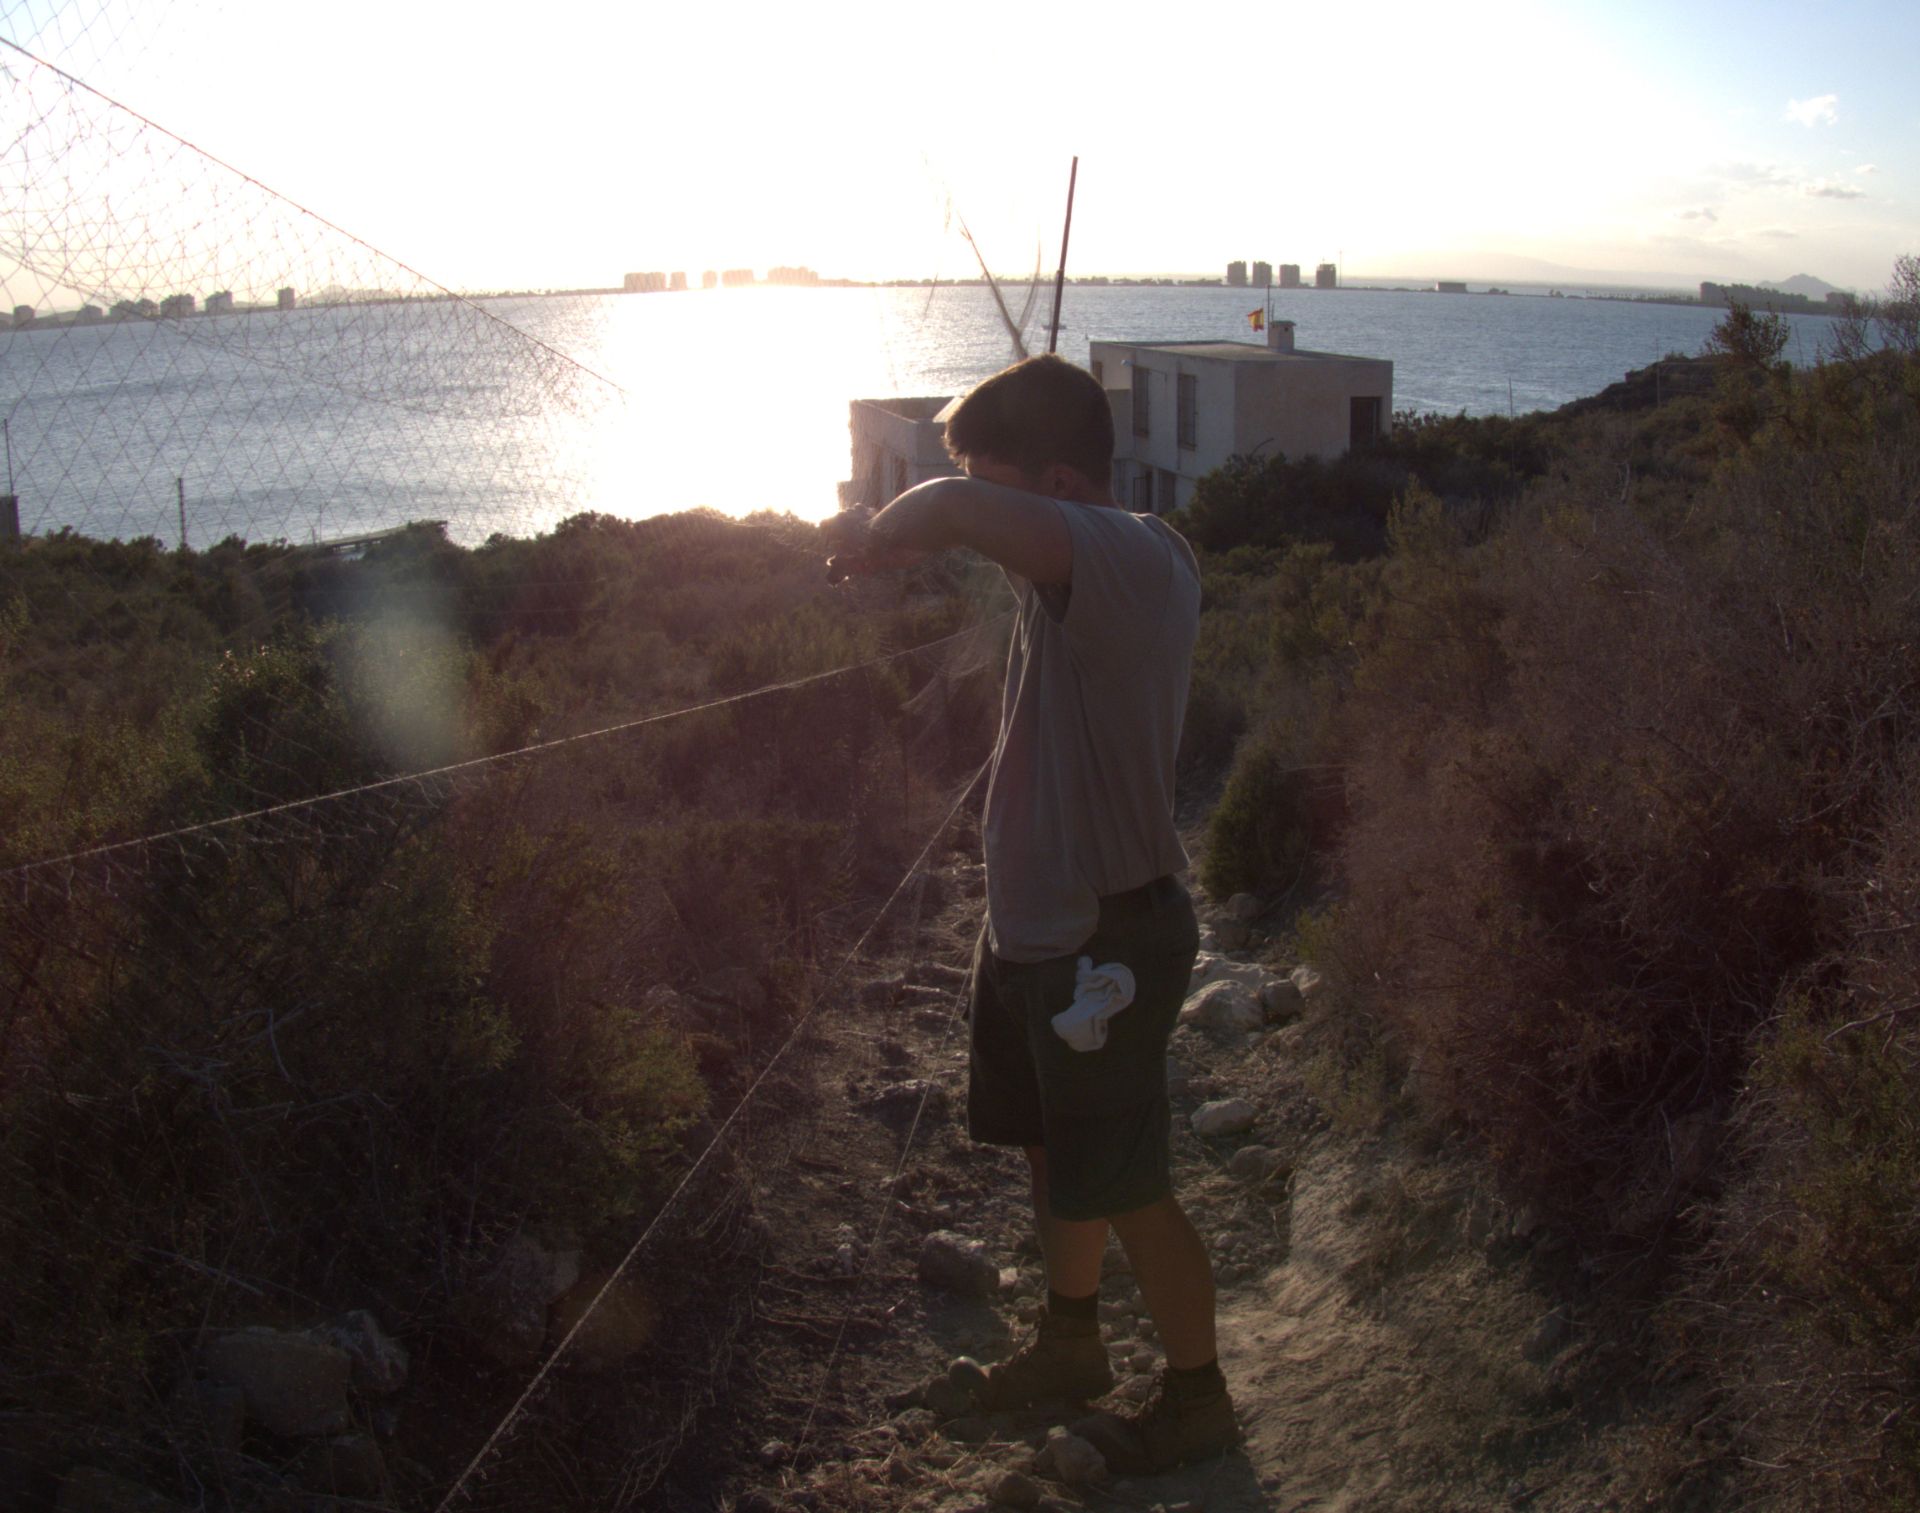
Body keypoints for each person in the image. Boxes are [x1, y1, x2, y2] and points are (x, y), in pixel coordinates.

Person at [821, 354, 1236, 1473]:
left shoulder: (1131, 555)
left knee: (1131, 1182)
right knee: (1059, 1153)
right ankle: (1071, 1344)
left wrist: (879, 534)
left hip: (1105, 935)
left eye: (1011, 494)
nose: (991, 524)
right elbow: (976, 506)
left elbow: (954, 506)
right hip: (1046, 929)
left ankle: (1200, 1401)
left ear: (1060, 479)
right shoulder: (1067, 574)